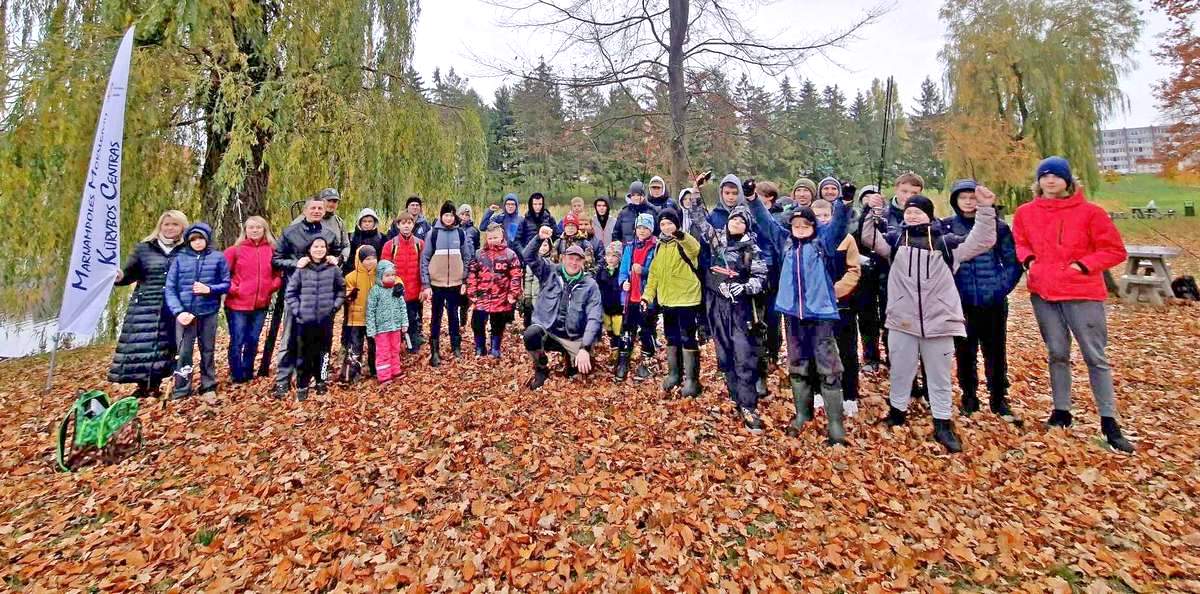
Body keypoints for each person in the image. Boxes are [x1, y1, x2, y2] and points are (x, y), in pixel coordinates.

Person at [861, 187, 999, 453]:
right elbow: (868, 238)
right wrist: (871, 210)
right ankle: (897, 411)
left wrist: (985, 209)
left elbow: (982, 239)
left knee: (939, 375)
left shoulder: (948, 243)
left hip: (939, 321)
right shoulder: (894, 241)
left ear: (929, 215)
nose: (913, 216)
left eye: (918, 212)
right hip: (902, 320)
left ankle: (942, 422)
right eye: (909, 211)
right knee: (901, 370)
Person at [1013, 156, 1135, 453]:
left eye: (1056, 176)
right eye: (1045, 176)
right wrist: (1029, 261)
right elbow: (1020, 242)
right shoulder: (1026, 212)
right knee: (1057, 352)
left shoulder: (1091, 213)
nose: (1050, 181)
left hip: (1082, 292)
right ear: (1038, 181)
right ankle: (1061, 411)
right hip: (1044, 292)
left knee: (1095, 355)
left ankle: (1109, 420)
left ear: (1068, 180)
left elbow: (1114, 250)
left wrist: (1083, 265)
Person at [749, 189, 849, 445]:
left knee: (828, 370)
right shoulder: (785, 243)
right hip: (792, 314)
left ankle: (836, 424)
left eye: (805, 224)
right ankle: (802, 414)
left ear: (813, 226)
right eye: (796, 224)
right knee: (798, 366)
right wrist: (752, 199)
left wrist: (845, 202)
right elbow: (766, 222)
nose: (800, 228)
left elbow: (838, 225)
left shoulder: (822, 243)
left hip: (821, 314)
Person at [685, 177, 769, 432]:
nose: (736, 223)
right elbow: (699, 218)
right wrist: (695, 191)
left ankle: (748, 405)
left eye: (741, 220)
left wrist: (742, 287)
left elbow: (761, 278)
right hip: (717, 308)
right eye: (733, 219)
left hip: (741, 311)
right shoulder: (717, 240)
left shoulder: (752, 249)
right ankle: (736, 396)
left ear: (746, 224)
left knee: (743, 355)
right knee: (724, 356)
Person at [942, 179, 1023, 423]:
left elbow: (1012, 262)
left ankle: (999, 397)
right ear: (955, 200)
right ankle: (969, 396)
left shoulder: (998, 227)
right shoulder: (946, 227)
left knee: (995, 350)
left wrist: (1000, 288)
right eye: (963, 197)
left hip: (992, 300)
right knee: (965, 351)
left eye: (973, 197)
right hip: (961, 300)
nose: (968, 201)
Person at [109, 210, 190, 397]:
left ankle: (157, 384)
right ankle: (142, 386)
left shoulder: (187, 250)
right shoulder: (144, 248)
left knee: (166, 346)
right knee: (141, 344)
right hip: (145, 305)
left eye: (175, 224)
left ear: (182, 227)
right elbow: (130, 274)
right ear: (160, 226)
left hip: (172, 306)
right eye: (166, 224)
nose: (170, 228)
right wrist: (119, 277)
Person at [272, 198, 345, 396]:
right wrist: (295, 263)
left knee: (323, 343)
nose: (316, 211)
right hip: (298, 297)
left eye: (320, 208)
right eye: (312, 208)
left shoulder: (329, 234)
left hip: (322, 299)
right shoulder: (290, 232)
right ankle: (283, 380)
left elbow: (339, 255)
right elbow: (277, 260)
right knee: (290, 340)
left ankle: (320, 378)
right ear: (305, 211)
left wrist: (336, 259)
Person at [522, 231, 604, 390]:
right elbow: (528, 256)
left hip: (573, 336)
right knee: (530, 334)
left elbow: (594, 318)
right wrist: (539, 238)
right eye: (570, 258)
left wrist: (585, 347)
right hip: (548, 329)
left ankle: (571, 359)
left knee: (581, 371)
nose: (573, 262)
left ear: (583, 262)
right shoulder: (549, 271)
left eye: (577, 259)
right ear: (563, 258)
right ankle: (541, 368)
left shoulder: (590, 285)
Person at [164, 222, 230, 400]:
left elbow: (226, 283)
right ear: (188, 241)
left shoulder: (218, 257)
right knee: (184, 352)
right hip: (185, 315)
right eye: (193, 239)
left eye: (201, 238)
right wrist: (179, 312)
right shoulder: (180, 259)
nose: (198, 242)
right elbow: (170, 289)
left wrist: (209, 289)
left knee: (207, 350)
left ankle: (208, 385)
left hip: (208, 312)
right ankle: (181, 389)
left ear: (207, 239)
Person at [641, 208, 703, 397]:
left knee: (688, 337)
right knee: (671, 338)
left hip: (687, 299)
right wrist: (647, 296)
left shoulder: (684, 241)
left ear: (676, 224)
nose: (666, 227)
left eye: (670, 223)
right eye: (663, 224)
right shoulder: (660, 246)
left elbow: (695, 248)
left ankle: (692, 380)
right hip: (667, 301)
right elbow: (654, 274)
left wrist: (678, 234)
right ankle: (674, 373)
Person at [811, 199, 863, 417]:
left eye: (825, 215)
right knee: (815, 349)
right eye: (817, 216)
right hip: (814, 306)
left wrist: (835, 291)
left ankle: (850, 394)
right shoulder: (807, 240)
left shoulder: (847, 239)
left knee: (847, 351)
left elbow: (854, 270)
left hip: (842, 305)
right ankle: (817, 391)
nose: (822, 219)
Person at [284, 237, 345, 401]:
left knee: (324, 353)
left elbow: (341, 290)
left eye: (322, 246)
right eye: (315, 246)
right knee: (304, 354)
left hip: (325, 319)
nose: (319, 249)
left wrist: (334, 306)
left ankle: (321, 381)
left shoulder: (333, 269)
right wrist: (298, 311)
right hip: (305, 321)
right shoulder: (302, 269)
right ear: (309, 249)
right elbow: (290, 293)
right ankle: (303, 386)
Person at [223, 215, 282, 384]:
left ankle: (248, 371)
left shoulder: (271, 250)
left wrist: (271, 286)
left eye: (258, 227)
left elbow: (278, 274)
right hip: (237, 304)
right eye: (251, 228)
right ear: (245, 231)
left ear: (264, 230)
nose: (254, 230)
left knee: (253, 338)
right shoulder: (235, 250)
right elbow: (222, 275)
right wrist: (235, 289)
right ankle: (237, 373)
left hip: (261, 304)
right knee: (238, 339)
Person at [420, 201, 475, 366]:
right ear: (441, 216)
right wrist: (426, 284)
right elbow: (425, 259)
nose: (449, 218)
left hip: (455, 284)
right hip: (437, 283)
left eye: (451, 215)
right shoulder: (433, 234)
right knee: (436, 317)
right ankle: (434, 350)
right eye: (446, 215)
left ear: (455, 216)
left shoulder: (460, 234)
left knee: (454, 316)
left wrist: (465, 280)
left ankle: (456, 346)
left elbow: (467, 258)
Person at [466, 223, 524, 357]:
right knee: (477, 323)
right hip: (482, 296)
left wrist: (513, 293)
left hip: (501, 296)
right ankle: (480, 348)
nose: (493, 241)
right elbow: (472, 273)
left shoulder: (510, 254)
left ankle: (495, 348)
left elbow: (516, 274)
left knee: (498, 324)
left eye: (496, 237)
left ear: (502, 236)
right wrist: (472, 291)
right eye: (490, 238)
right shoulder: (479, 254)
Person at [615, 213, 659, 381]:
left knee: (647, 330)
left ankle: (646, 362)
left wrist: (644, 271)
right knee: (627, 329)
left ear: (651, 229)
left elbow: (657, 272)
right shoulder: (630, 246)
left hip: (646, 297)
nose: (642, 231)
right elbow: (623, 269)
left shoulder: (656, 248)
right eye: (639, 227)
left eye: (645, 228)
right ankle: (623, 362)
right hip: (630, 297)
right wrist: (623, 282)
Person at [380, 212, 425, 353]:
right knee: (394, 321)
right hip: (395, 292)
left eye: (409, 223)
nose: (406, 226)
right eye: (403, 223)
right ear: (398, 225)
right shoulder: (390, 245)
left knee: (412, 320)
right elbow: (383, 269)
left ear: (413, 225)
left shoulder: (420, 244)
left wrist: (423, 288)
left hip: (414, 291)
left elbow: (423, 268)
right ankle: (395, 347)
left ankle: (412, 346)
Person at [855, 185, 887, 372]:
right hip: (864, 274)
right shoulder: (856, 218)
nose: (870, 200)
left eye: (874, 197)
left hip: (886, 274)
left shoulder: (888, 218)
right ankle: (871, 356)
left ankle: (891, 354)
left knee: (887, 317)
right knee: (868, 317)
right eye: (866, 197)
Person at [366, 260, 409, 385]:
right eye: (387, 275)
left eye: (392, 275)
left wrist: (404, 323)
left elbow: (402, 307)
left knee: (395, 349)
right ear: (380, 276)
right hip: (381, 328)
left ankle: (396, 370)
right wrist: (371, 329)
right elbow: (370, 311)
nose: (391, 278)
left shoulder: (396, 289)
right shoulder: (375, 291)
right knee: (383, 351)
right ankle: (384, 375)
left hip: (395, 326)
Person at [341, 245, 378, 383]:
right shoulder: (351, 277)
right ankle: (352, 374)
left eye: (374, 258)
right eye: (367, 259)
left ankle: (375, 369)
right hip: (356, 319)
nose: (371, 262)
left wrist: (398, 285)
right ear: (360, 260)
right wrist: (350, 295)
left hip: (374, 318)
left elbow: (393, 278)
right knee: (355, 346)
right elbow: (345, 294)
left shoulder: (378, 274)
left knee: (374, 345)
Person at [289, 188, 351, 262]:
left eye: (334, 201)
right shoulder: (303, 220)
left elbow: (346, 245)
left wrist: (341, 258)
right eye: (328, 201)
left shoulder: (339, 222)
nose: (331, 204)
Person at [596, 241, 625, 350]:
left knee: (618, 326)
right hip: (605, 304)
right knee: (607, 324)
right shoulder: (601, 271)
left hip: (618, 306)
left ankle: (617, 344)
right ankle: (610, 339)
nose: (611, 258)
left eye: (614, 256)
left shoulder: (621, 271)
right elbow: (597, 285)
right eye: (608, 255)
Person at [344, 208, 386, 274]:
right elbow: (349, 258)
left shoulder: (382, 238)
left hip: (374, 273)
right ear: (360, 222)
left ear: (374, 222)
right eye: (364, 221)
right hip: (355, 273)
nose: (367, 224)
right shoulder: (351, 237)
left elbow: (383, 259)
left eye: (370, 221)